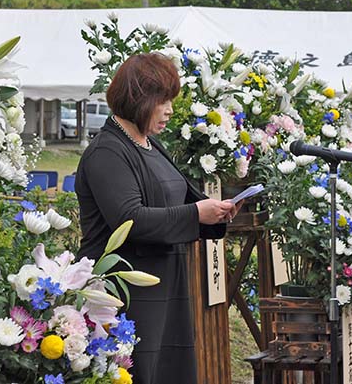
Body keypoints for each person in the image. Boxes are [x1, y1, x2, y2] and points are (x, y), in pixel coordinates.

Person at [75, 53, 242, 384]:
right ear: (138, 100)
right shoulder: (107, 151)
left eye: (171, 101)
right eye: (162, 101)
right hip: (127, 293)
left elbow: (183, 199)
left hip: (167, 284)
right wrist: (197, 213)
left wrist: (217, 212)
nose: (169, 110)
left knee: (171, 369)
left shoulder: (152, 144)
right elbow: (130, 220)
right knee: (137, 371)